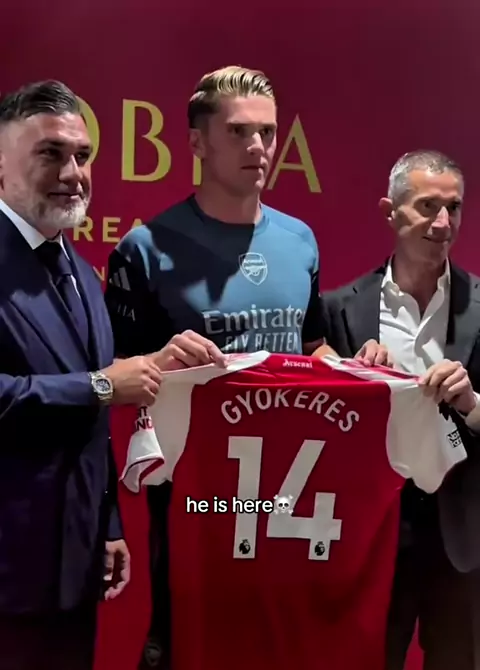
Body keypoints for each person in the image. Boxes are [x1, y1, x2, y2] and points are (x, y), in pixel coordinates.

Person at [104, 65, 388, 668]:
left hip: (292, 497)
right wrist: (158, 362)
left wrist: (358, 369)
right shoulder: (145, 249)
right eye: (238, 131)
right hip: (198, 500)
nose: (258, 146)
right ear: (198, 142)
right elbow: (114, 372)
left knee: (283, 642)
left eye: (267, 132)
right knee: (188, 639)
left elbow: (311, 348)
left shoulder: (300, 240)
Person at [0, 79, 163, 670]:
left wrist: (108, 523)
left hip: (73, 564)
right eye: (51, 154)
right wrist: (101, 385)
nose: (73, 173)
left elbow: (92, 422)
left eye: (83, 155)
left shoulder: (77, 266)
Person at [322, 149, 480, 670]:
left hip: (462, 538)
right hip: (370, 532)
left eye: (454, 208)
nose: (444, 223)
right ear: (390, 212)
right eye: (428, 206)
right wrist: (352, 378)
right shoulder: (339, 309)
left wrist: (472, 403)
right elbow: (322, 426)